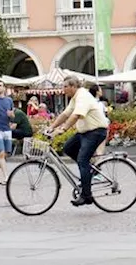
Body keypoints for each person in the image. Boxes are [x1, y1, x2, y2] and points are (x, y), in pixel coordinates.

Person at [47, 77, 110, 207]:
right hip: (85, 132)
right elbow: (65, 114)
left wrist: (63, 129)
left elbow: (76, 115)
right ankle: (89, 171)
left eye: (65, 87)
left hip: (96, 131)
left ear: (73, 86)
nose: (63, 90)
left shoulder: (83, 96)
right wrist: (51, 127)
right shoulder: (75, 98)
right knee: (68, 148)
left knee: (82, 160)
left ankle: (86, 196)